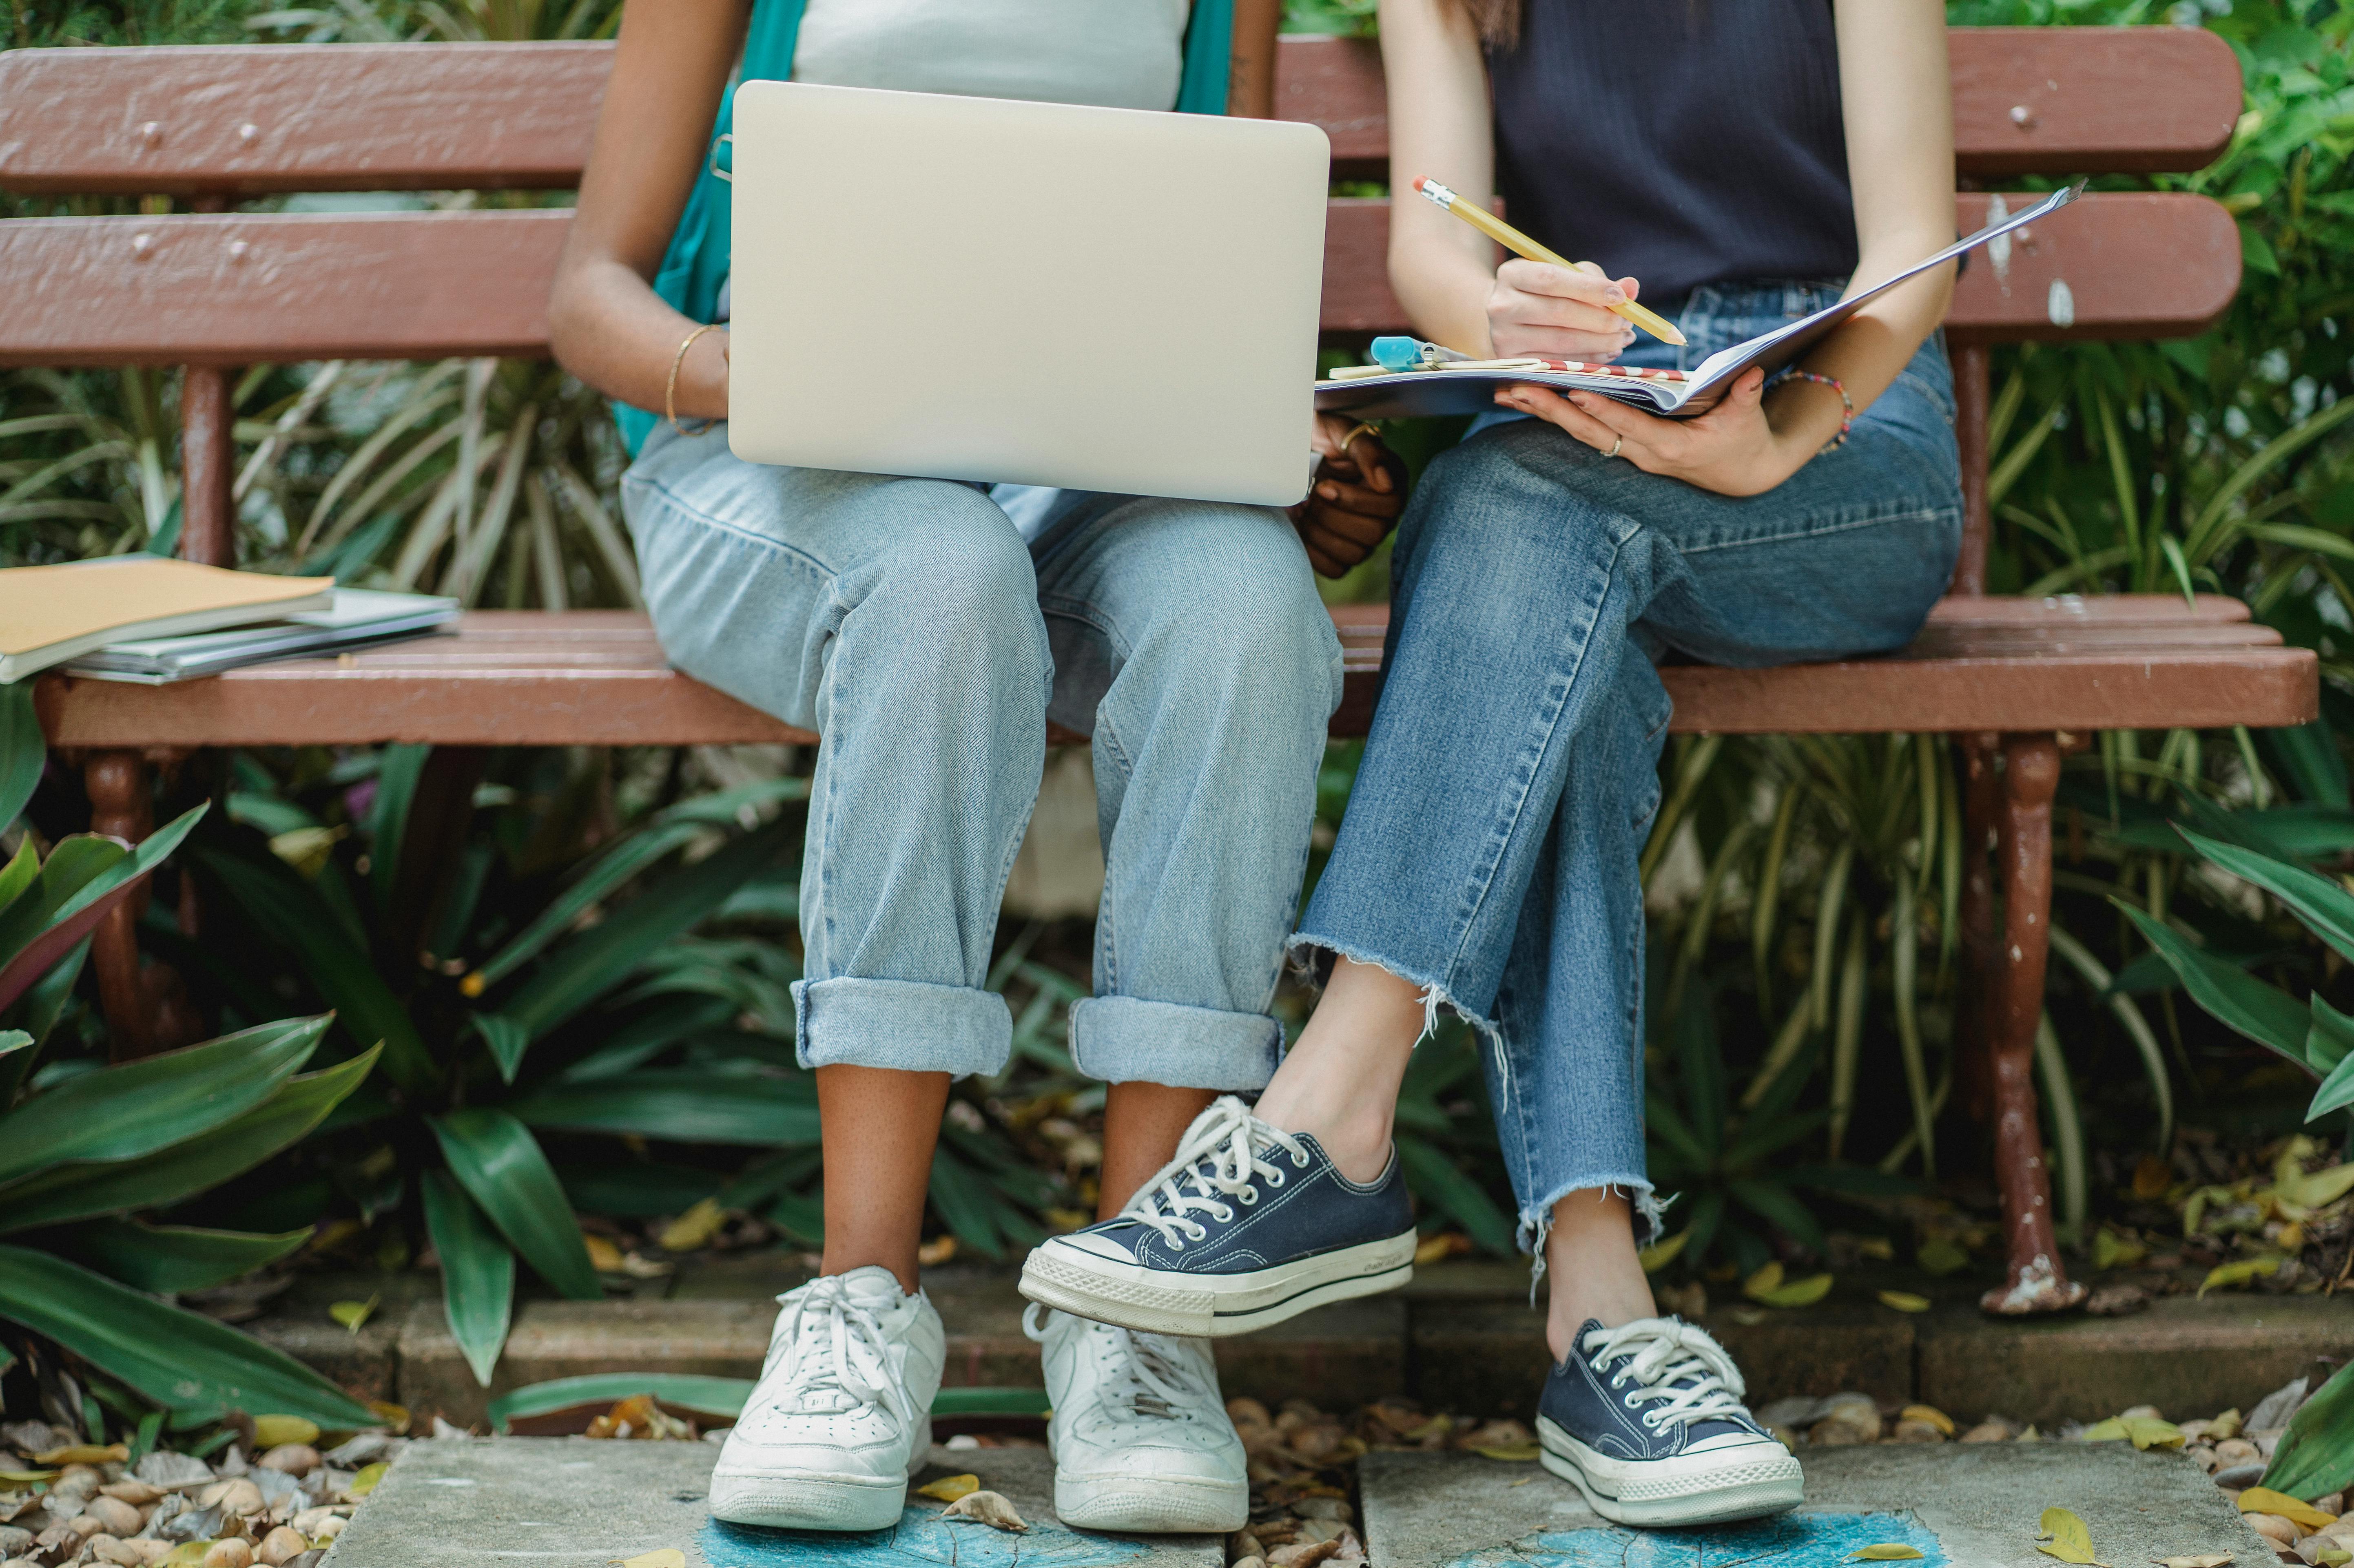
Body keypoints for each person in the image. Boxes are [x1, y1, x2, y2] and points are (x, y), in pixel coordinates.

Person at [1023, 0, 1966, 1530]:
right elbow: (1434, 250)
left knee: (1514, 513)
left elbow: (1911, 250)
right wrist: (1499, 321)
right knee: (1547, 591)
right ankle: (1604, 1320)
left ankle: (1330, 1107)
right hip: (1591, 403)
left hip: (1839, 432)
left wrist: (1775, 434)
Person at [546, 0, 1406, 1537]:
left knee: (1249, 613)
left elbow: (1220, 294)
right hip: (771, 468)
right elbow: (589, 300)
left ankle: (1142, 1318)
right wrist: (757, 371)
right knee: (939, 580)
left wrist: (1288, 459)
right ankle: (856, 1309)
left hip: (1089, 472)